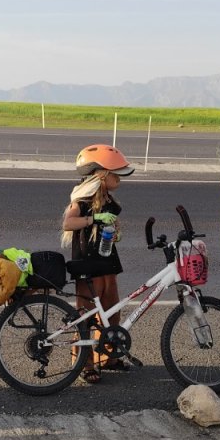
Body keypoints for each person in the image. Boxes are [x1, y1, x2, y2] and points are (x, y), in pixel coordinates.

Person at [61, 144, 133, 384]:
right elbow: (68, 224)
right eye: (116, 175)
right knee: (85, 315)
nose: (119, 179)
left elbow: (114, 227)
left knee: (112, 312)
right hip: (87, 264)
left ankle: (108, 356)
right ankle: (83, 362)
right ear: (102, 174)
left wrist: (116, 233)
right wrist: (94, 218)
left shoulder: (112, 202)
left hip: (108, 263)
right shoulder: (81, 200)